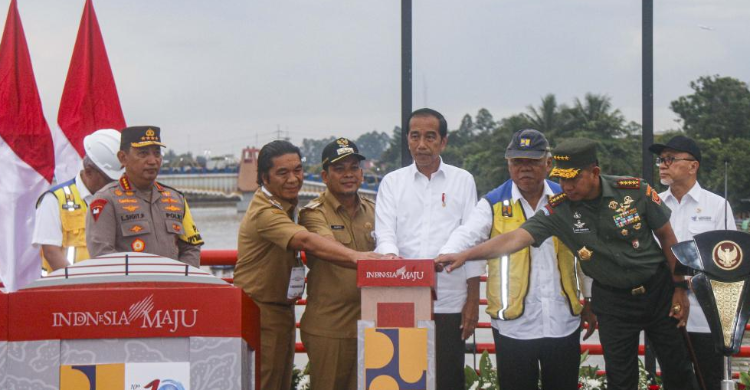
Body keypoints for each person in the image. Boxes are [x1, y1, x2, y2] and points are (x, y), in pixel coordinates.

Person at [437, 138, 699, 390]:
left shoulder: (634, 191)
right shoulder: (558, 209)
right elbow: (514, 239)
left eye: (573, 178)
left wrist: (679, 288)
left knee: (678, 370)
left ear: (594, 172)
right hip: (613, 301)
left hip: (659, 291)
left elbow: (668, 238)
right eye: (561, 178)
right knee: (621, 378)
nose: (566, 185)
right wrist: (465, 255)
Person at [440, 129, 592, 390]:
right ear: (508, 165)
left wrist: (590, 299)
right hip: (514, 326)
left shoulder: (567, 200)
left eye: (532, 162)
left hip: (562, 321)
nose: (524, 169)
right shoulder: (493, 203)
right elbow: (469, 233)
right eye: (517, 162)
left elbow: (587, 253)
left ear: (548, 163)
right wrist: (448, 253)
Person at [234, 140, 381, 390]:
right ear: (263, 178)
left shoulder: (287, 206)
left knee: (279, 382)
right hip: (260, 310)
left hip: (282, 310)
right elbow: (306, 239)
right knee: (265, 382)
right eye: (282, 173)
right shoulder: (267, 211)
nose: (293, 179)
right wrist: (358, 257)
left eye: (298, 170)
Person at [374, 108, 484, 390]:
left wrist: (473, 299)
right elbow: (385, 233)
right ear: (408, 140)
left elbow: (472, 241)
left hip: (450, 299)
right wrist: (391, 259)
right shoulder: (392, 183)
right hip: (401, 298)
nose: (421, 144)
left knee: (448, 378)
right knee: (403, 378)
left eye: (430, 137)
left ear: (443, 141)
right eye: (415, 136)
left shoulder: (463, 181)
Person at [650, 135, 736, 390]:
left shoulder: (717, 206)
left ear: (693, 165)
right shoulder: (653, 203)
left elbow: (728, 261)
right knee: (674, 381)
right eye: (661, 160)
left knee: (707, 380)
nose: (663, 164)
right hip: (665, 312)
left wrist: (687, 284)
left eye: (670, 159)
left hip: (705, 314)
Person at [298, 137, 375, 390]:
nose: (348, 175)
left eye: (354, 167)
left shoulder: (376, 211)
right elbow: (326, 244)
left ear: (362, 173)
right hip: (330, 327)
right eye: (339, 169)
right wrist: (365, 259)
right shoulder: (313, 213)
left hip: (372, 323)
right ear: (324, 175)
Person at [86, 126, 204, 266]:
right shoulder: (106, 200)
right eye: (143, 154)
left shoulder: (176, 199)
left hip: (172, 285)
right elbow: (102, 254)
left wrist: (181, 280)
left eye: (156, 153)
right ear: (123, 158)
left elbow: (191, 246)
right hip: (131, 286)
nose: (152, 161)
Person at [33, 129, 123, 272]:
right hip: (66, 289)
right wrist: (80, 286)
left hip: (109, 287)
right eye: (109, 180)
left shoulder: (120, 198)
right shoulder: (54, 200)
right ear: (88, 171)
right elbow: (51, 252)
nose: (113, 185)